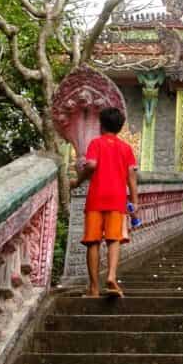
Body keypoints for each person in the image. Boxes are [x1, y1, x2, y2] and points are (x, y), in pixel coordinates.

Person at [70, 107, 138, 297]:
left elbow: (91, 164)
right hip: (117, 199)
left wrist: (78, 180)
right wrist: (135, 202)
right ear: (119, 127)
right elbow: (132, 177)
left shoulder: (96, 143)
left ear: (101, 125)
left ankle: (93, 288)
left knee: (93, 242)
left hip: (96, 198)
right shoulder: (126, 148)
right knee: (113, 239)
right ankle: (111, 276)